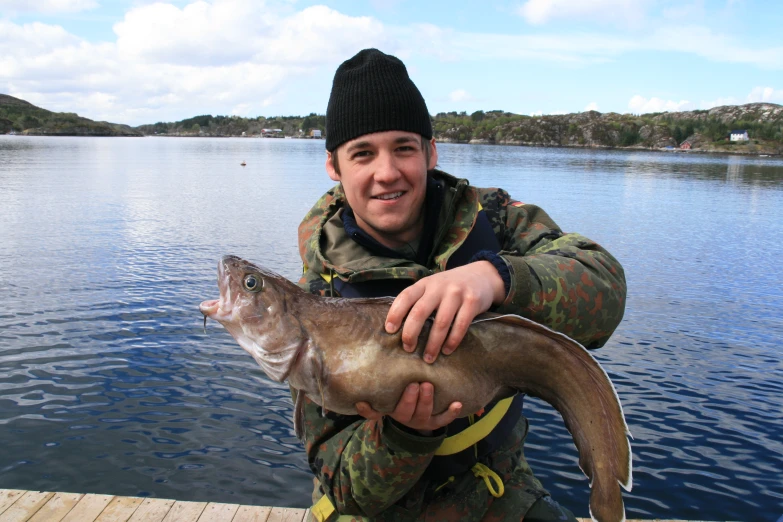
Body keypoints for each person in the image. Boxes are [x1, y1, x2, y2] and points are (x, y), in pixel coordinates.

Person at [295, 48, 626, 522]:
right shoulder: (315, 297)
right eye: (362, 153)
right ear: (334, 165)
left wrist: (497, 276)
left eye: (404, 148)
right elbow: (346, 487)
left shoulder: (496, 219)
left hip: (497, 488)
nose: (386, 172)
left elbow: (605, 286)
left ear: (430, 151)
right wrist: (407, 434)